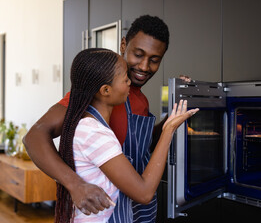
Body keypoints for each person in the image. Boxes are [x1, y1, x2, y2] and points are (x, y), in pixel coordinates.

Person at [23, 15, 187, 222]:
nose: (145, 66)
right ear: (123, 44)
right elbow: (34, 137)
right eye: (138, 54)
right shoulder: (95, 97)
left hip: (137, 208)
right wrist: (74, 184)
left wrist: (170, 120)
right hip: (108, 209)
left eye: (154, 60)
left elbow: (142, 148)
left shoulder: (140, 99)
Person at [55, 48, 198, 223]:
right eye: (125, 79)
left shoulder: (89, 124)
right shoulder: (94, 133)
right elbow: (144, 193)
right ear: (106, 90)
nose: (130, 82)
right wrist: (169, 130)